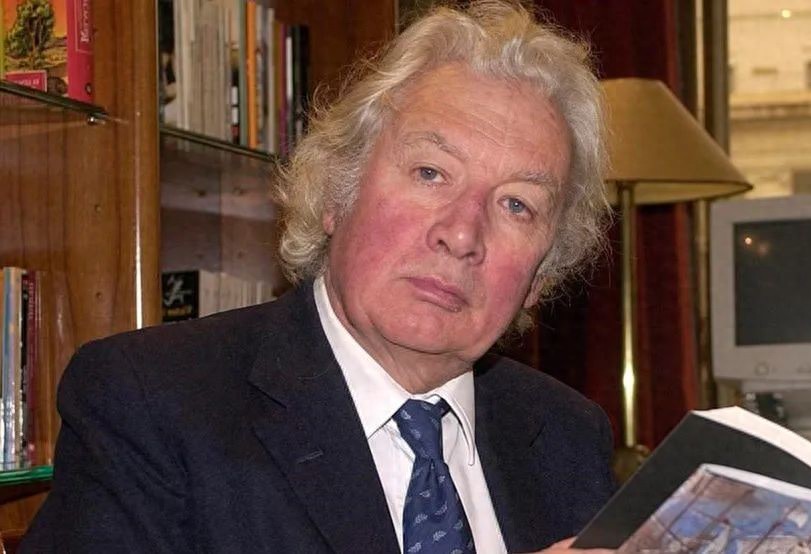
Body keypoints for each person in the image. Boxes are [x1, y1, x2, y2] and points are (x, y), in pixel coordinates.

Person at [21, 2, 617, 552]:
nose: (462, 235)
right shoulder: (151, 402)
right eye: (430, 173)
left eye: (517, 205)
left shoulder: (567, 437)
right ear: (337, 193)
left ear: (541, 274)